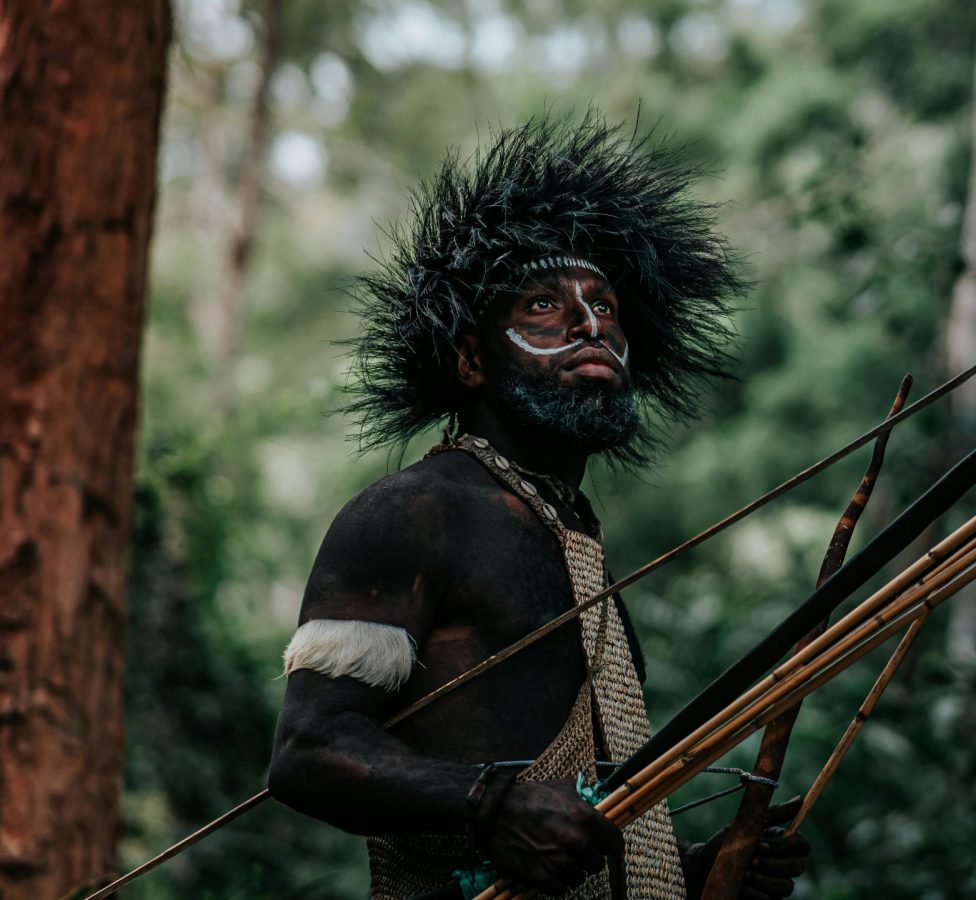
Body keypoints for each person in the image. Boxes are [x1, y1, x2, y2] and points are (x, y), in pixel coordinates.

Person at [266, 116, 811, 900]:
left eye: (604, 305)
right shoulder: (413, 512)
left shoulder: (569, 532)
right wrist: (490, 804)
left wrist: (681, 871)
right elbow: (308, 751)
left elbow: (573, 815)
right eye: (542, 306)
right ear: (471, 359)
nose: (591, 325)